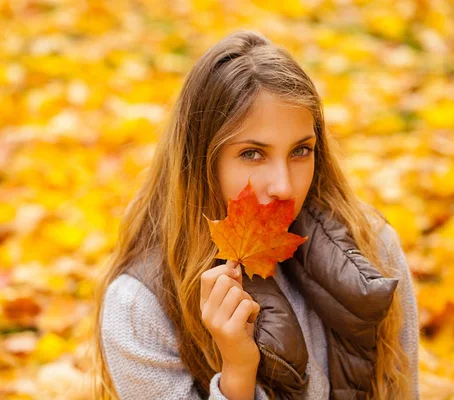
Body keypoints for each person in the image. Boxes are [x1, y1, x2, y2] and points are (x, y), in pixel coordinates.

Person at [91, 29, 420, 400]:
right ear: (200, 162)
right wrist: (237, 375)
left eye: (300, 151)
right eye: (252, 154)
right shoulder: (140, 306)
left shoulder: (371, 248)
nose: (283, 186)